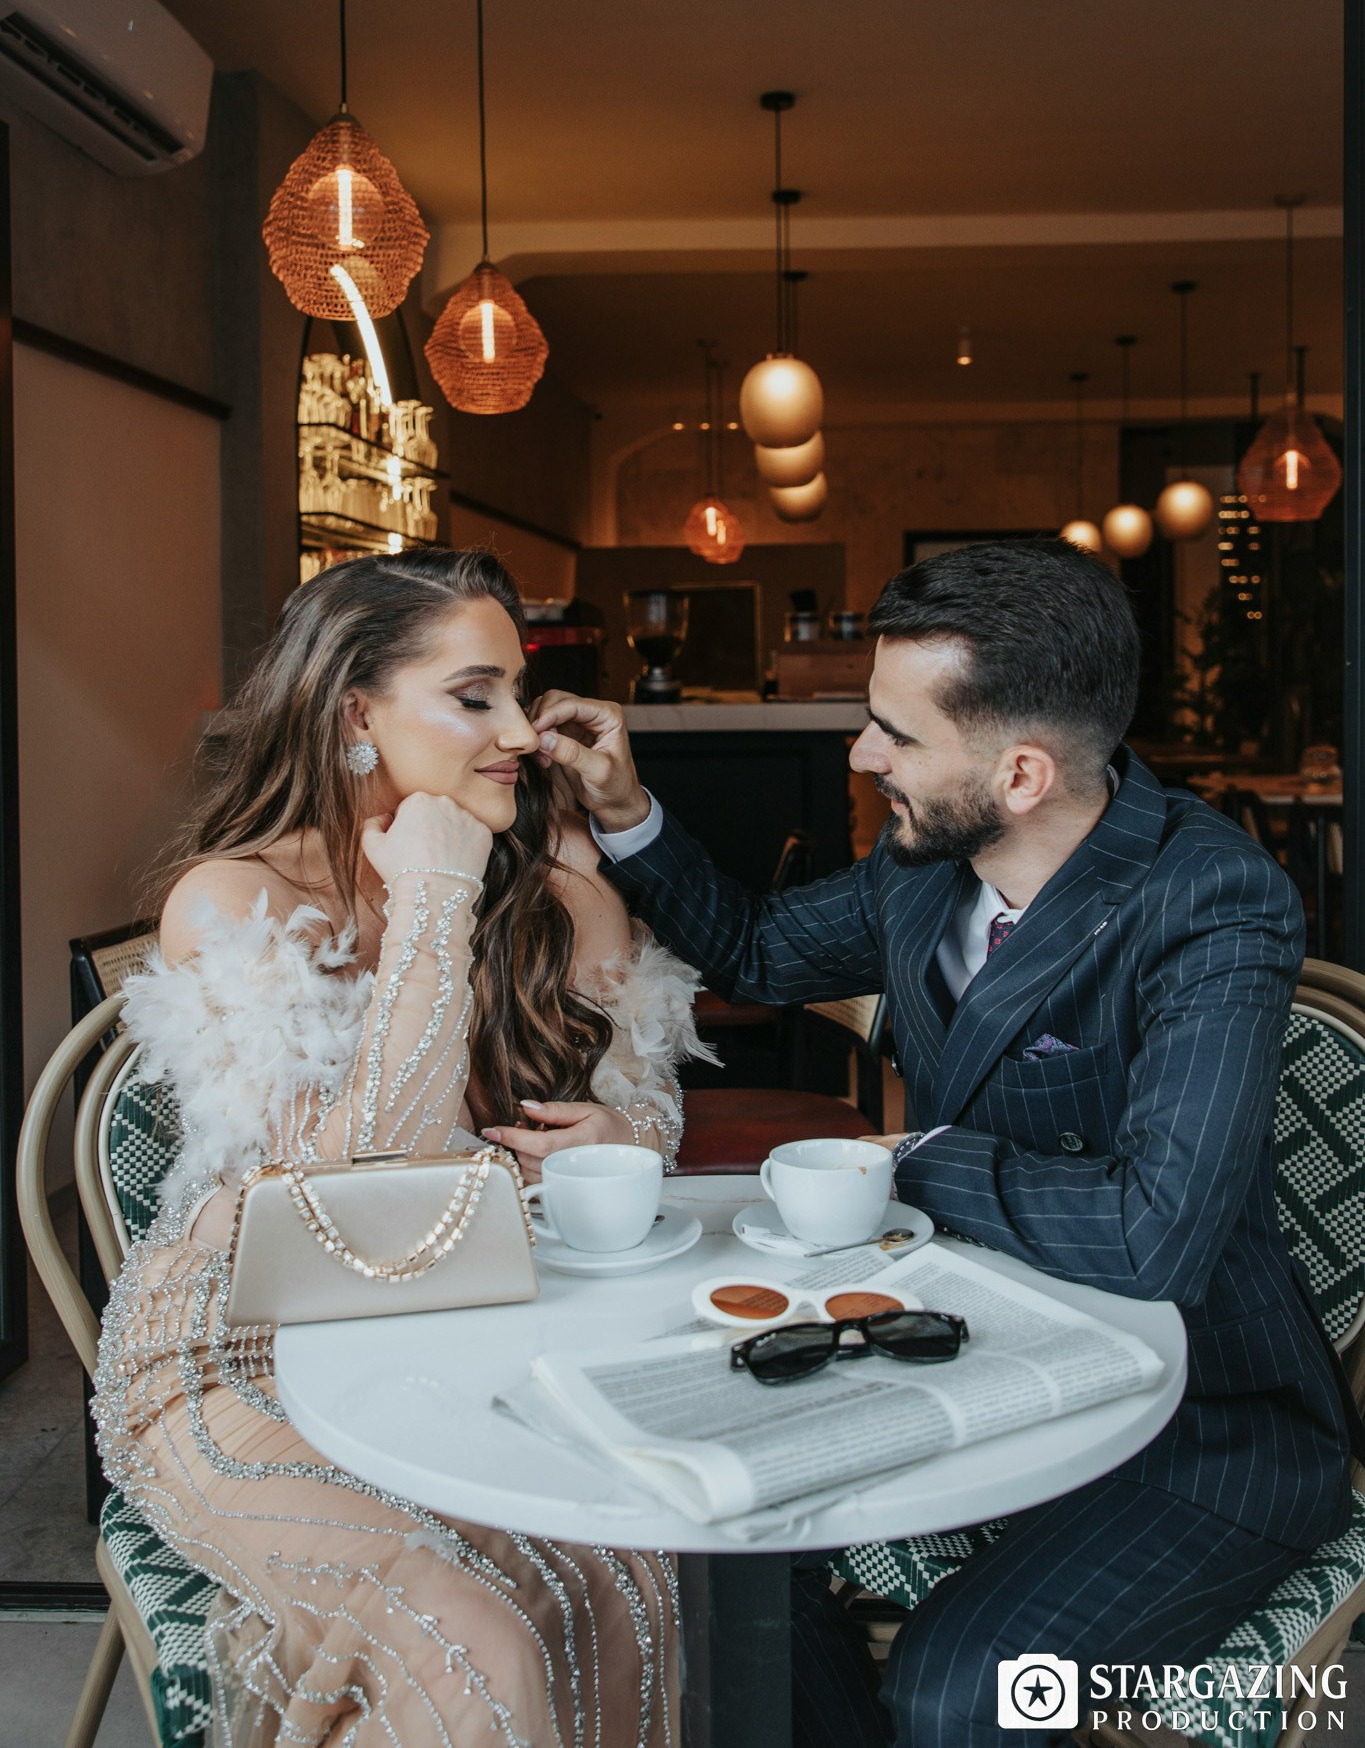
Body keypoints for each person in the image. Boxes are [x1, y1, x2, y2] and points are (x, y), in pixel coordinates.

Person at [533, 538, 1360, 1747]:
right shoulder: (925, 867)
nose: (860, 754)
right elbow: (757, 948)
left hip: (1203, 1417)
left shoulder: (1210, 898)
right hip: (975, 1348)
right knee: (719, 1555)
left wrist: (901, 1159)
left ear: (1020, 772)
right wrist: (624, 811)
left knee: (957, 1686)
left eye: (895, 732)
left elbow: (1156, 1236)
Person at [93, 548, 713, 1748]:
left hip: (466, 1332)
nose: (522, 732)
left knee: (624, 1568)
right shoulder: (233, 901)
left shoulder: (561, 899)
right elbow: (349, 1204)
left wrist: (623, 1131)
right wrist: (432, 903)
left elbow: (649, 1113)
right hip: (241, 1353)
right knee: (466, 1636)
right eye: (475, 696)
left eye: (519, 693)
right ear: (356, 714)